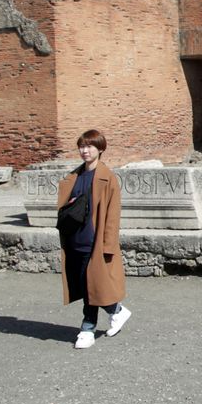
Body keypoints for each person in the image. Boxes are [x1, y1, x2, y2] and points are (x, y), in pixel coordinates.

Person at [57, 129, 129, 349]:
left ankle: (87, 328)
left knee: (91, 285)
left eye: (89, 146)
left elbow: (112, 215)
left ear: (100, 149)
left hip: (94, 240)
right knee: (84, 283)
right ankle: (116, 311)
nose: (85, 150)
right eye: (82, 146)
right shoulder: (74, 177)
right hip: (74, 239)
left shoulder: (108, 178)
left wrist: (108, 244)